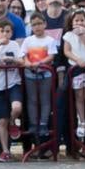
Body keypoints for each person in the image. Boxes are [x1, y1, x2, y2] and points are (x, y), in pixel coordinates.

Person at [0, 19, 25, 162]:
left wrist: (12, 60)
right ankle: (5, 151)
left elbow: (22, 61)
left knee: (17, 107)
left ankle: (13, 122)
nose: (4, 34)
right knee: (2, 120)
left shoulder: (14, 45)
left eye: (7, 31)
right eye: (2, 31)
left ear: (11, 33)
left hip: (13, 83)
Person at [62, 8, 85, 140]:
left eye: (82, 20)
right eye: (76, 20)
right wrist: (77, 60)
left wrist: (83, 34)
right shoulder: (68, 35)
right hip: (76, 69)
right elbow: (66, 51)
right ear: (71, 22)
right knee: (79, 96)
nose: (79, 23)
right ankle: (82, 121)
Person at [20, 12, 55, 148]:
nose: (37, 27)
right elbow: (24, 55)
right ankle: (34, 124)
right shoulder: (28, 41)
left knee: (45, 100)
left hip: (45, 74)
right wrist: (28, 62)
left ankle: (43, 123)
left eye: (40, 24)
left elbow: (51, 56)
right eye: (34, 24)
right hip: (30, 74)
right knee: (32, 100)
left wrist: (40, 63)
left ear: (45, 24)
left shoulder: (50, 40)